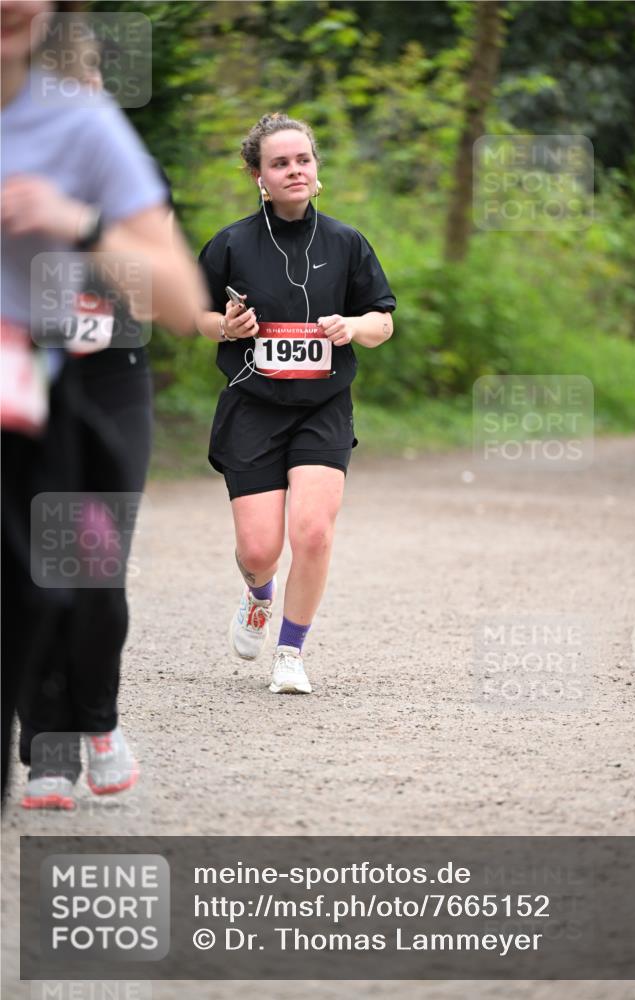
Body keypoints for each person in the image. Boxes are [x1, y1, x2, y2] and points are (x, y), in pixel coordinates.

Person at [1, 0, 206, 807]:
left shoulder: (106, 161)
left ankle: (99, 718)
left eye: (88, 78)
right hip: (23, 385)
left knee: (91, 572)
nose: (78, 92)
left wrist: (78, 227)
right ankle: (48, 749)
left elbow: (169, 296)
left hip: (105, 384)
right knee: (26, 577)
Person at [198, 112, 396, 694]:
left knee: (313, 532)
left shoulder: (346, 242)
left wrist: (352, 327)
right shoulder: (231, 243)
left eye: (302, 160)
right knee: (260, 550)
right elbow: (193, 315)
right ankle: (258, 594)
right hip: (252, 405)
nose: (293, 170)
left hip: (322, 406)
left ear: (316, 168)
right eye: (279, 163)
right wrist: (226, 326)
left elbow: (383, 322)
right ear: (258, 175)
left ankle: (291, 651)